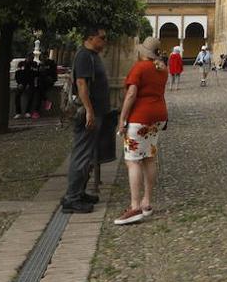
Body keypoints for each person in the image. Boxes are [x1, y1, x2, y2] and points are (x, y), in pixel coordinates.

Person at [114, 37, 168, 225]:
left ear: (143, 52)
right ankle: (147, 202)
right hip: (158, 116)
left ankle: (135, 206)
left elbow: (131, 94)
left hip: (140, 117)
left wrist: (122, 119)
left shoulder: (139, 68)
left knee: (133, 161)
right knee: (149, 158)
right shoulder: (162, 69)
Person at [61, 26, 109, 214]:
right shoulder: (84, 56)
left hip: (96, 111)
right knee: (82, 154)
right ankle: (72, 198)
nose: (105, 41)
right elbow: (81, 84)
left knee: (87, 155)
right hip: (89, 113)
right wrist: (89, 110)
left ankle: (79, 192)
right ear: (90, 37)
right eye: (102, 37)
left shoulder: (92, 56)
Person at [14, 54, 38, 119]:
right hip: (21, 83)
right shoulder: (21, 64)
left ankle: (28, 112)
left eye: (32, 58)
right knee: (17, 95)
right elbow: (17, 74)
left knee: (31, 95)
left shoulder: (34, 64)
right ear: (26, 58)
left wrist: (29, 84)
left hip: (30, 83)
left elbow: (34, 74)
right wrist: (19, 83)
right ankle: (18, 112)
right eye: (30, 58)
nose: (31, 59)